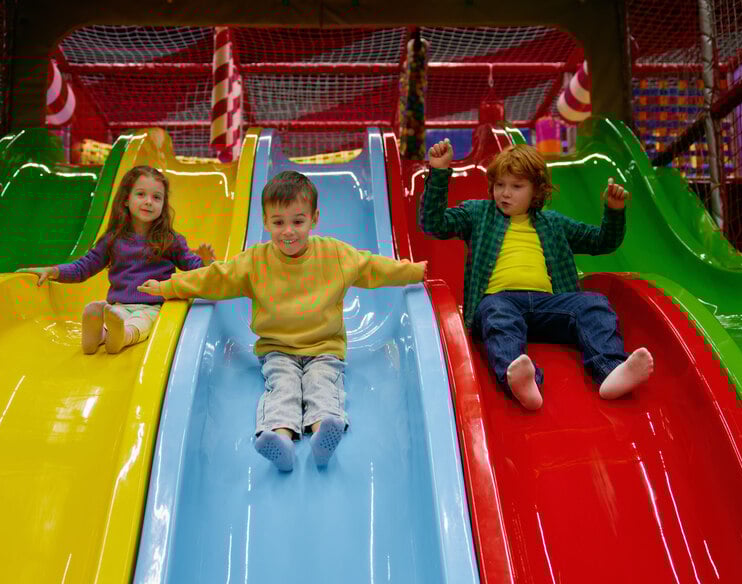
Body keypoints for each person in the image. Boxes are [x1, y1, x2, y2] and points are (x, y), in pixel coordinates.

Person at [138, 170, 425, 472]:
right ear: (265, 221)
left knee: (321, 383)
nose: (288, 231)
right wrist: (168, 286)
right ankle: (281, 440)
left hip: (323, 346)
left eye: (297, 221)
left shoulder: (335, 254)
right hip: (277, 349)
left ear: (315, 218)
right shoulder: (255, 262)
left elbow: (373, 268)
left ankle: (322, 432)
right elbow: (214, 279)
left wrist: (411, 271)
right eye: (278, 223)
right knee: (283, 387)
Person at [420, 140, 653, 410]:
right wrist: (438, 173)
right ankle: (519, 381)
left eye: (516, 187)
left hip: (549, 305)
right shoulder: (478, 214)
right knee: (497, 313)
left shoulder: (553, 223)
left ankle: (611, 369)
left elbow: (602, 242)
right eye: (499, 185)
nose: (505, 194)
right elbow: (433, 224)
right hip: (501, 300)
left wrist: (614, 211)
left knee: (594, 303)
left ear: (536, 191)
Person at [18, 165, 214, 355]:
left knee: (139, 323)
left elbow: (194, 270)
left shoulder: (170, 240)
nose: (148, 202)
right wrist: (54, 271)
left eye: (156, 197)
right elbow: (84, 266)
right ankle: (96, 336)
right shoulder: (114, 239)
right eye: (141, 194)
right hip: (118, 306)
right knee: (112, 317)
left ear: (163, 205)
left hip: (153, 306)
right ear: (126, 200)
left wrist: (205, 262)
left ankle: (121, 337)